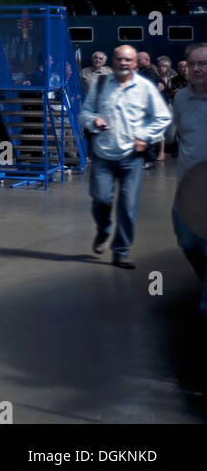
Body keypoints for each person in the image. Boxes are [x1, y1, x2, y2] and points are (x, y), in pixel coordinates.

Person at [78, 45, 172, 269]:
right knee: (101, 200)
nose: (123, 63)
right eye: (119, 59)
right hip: (103, 156)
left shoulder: (145, 88)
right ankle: (103, 231)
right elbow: (84, 113)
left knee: (128, 206)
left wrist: (144, 136)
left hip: (132, 158)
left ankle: (121, 250)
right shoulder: (101, 85)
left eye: (128, 60)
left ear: (135, 63)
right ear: (114, 60)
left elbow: (162, 117)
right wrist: (94, 121)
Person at [169, 43, 207, 318]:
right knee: (188, 242)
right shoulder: (180, 98)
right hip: (187, 187)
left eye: (203, 63)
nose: (196, 68)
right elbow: (175, 134)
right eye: (192, 63)